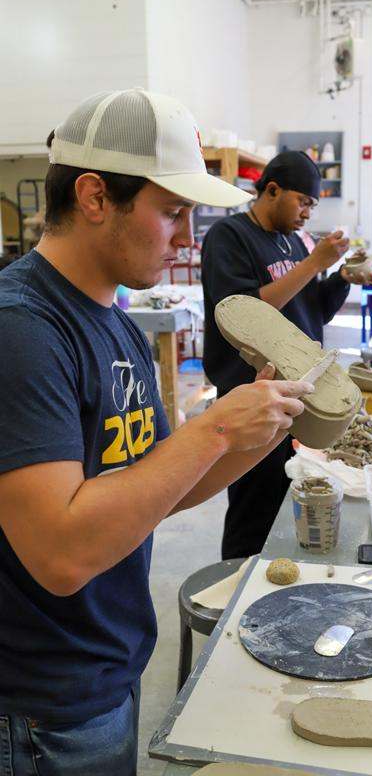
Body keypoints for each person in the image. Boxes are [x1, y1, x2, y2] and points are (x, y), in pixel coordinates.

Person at [0, 89, 313, 775]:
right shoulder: (22, 329)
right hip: (39, 710)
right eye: (171, 211)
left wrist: (257, 422)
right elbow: (59, 553)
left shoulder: (117, 324)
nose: (187, 235)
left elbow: (162, 490)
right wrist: (213, 431)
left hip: (105, 672)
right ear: (92, 197)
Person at [202, 150, 370, 560]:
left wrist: (341, 277)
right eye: (304, 201)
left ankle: (278, 582)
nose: (308, 213)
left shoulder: (294, 241)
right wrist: (314, 262)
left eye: (313, 205)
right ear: (272, 190)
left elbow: (311, 310)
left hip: (299, 389)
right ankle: (237, 585)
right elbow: (245, 313)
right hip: (252, 391)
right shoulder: (230, 236)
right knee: (254, 503)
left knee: (290, 494)